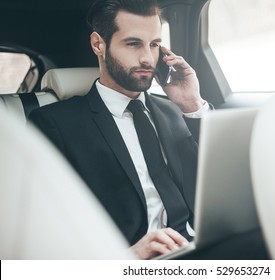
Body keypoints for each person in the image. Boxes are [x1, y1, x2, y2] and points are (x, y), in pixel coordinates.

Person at [29, 0, 209, 260]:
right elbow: (43, 237)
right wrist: (125, 258)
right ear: (98, 44)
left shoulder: (177, 111)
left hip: (199, 248)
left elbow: (218, 185)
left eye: (155, 44)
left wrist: (193, 105)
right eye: (133, 43)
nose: (148, 58)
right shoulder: (54, 124)